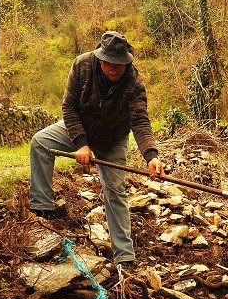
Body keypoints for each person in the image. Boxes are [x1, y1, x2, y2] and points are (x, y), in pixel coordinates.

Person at [29, 31, 164, 267]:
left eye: (120, 64)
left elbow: (140, 121)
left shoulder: (134, 82)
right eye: (109, 63)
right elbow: (69, 107)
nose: (114, 69)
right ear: (100, 58)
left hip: (112, 139)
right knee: (40, 142)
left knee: (115, 191)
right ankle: (42, 207)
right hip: (78, 125)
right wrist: (81, 143)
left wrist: (151, 156)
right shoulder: (81, 65)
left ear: (127, 61)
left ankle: (124, 255)